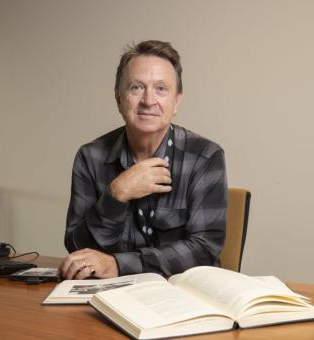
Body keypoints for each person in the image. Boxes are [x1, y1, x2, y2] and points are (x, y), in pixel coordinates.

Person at [59, 40, 227, 280]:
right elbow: (77, 249)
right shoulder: (90, 157)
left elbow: (204, 250)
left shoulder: (205, 156)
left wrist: (118, 264)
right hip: (109, 298)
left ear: (176, 101)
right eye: (136, 87)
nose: (148, 100)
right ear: (118, 98)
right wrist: (116, 194)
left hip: (182, 298)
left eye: (161, 88)